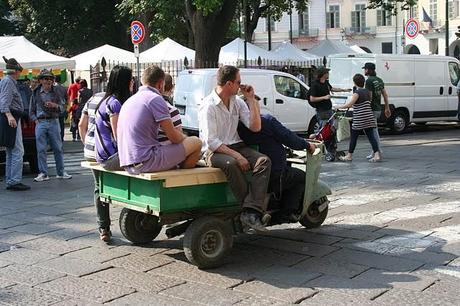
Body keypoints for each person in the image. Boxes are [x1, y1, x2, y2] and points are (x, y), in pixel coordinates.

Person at [199, 65, 271, 231]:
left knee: (264, 161)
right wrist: (237, 156)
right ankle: (252, 211)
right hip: (214, 151)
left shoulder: (237, 102)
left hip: (236, 145)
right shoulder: (208, 105)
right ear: (229, 84)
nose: (241, 85)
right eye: (238, 82)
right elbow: (211, 142)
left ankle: (250, 211)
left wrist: (251, 100)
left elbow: (255, 127)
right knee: (232, 163)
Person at [117, 65, 202, 174]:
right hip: (146, 161)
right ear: (161, 84)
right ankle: (182, 182)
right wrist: (185, 138)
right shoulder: (155, 99)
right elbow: (174, 137)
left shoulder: (130, 100)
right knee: (196, 142)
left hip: (127, 162)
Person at [238, 113, 315, 223]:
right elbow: (289, 138)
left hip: (249, 175)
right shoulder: (266, 121)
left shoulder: (236, 123)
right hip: (272, 175)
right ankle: (286, 213)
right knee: (300, 176)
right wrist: (307, 145)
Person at [78, 92, 112, 242]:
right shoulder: (115, 101)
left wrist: (87, 144)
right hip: (107, 152)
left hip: (91, 150)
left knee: (98, 186)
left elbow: (81, 124)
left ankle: (103, 228)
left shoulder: (93, 98)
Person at [29, 69, 72, 182]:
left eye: (50, 79)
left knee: (58, 148)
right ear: (41, 81)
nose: (48, 81)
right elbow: (31, 111)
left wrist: (55, 106)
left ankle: (61, 172)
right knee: (41, 149)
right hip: (41, 122)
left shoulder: (56, 92)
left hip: (54, 121)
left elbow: (63, 107)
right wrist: (36, 120)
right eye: (45, 78)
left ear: (53, 81)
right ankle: (43, 173)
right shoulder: (35, 93)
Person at [0, 57, 30, 191]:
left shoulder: (7, 81)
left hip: (11, 117)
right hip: (11, 118)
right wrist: (9, 115)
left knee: (11, 150)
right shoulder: (8, 82)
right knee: (17, 150)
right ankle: (14, 180)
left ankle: (11, 179)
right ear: (16, 71)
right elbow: (4, 101)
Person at [309, 66, 351, 162]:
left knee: (332, 131)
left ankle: (332, 149)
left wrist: (344, 90)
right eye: (327, 72)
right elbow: (312, 98)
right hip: (321, 111)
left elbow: (332, 89)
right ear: (323, 74)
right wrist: (324, 97)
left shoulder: (326, 83)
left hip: (329, 110)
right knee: (325, 132)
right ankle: (325, 149)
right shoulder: (315, 85)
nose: (328, 74)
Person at [94, 66, 133, 170]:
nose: (133, 82)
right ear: (125, 82)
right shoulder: (114, 104)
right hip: (110, 157)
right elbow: (118, 136)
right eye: (131, 79)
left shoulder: (106, 100)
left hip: (103, 155)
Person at [335, 74, 380, 162]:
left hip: (360, 118)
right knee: (371, 137)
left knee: (354, 137)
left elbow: (349, 104)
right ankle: (377, 155)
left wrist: (338, 106)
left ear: (354, 82)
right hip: (369, 117)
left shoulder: (357, 93)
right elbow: (369, 101)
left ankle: (349, 155)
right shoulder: (367, 91)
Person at [363, 62, 391, 159]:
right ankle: (376, 150)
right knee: (374, 130)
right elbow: (385, 95)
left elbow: (369, 97)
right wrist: (387, 107)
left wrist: (365, 109)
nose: (364, 71)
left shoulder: (369, 81)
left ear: (368, 70)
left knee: (373, 132)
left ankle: (376, 151)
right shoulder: (379, 80)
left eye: (365, 69)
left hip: (371, 109)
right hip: (378, 108)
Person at [158, 73, 182, 145]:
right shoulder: (171, 110)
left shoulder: (149, 106)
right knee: (196, 142)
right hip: (166, 148)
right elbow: (179, 137)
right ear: (172, 87)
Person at [54, 75, 68, 141]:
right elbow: (66, 98)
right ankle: (61, 138)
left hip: (55, 108)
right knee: (62, 124)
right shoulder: (63, 88)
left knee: (55, 125)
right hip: (62, 107)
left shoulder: (53, 87)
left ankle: (57, 139)